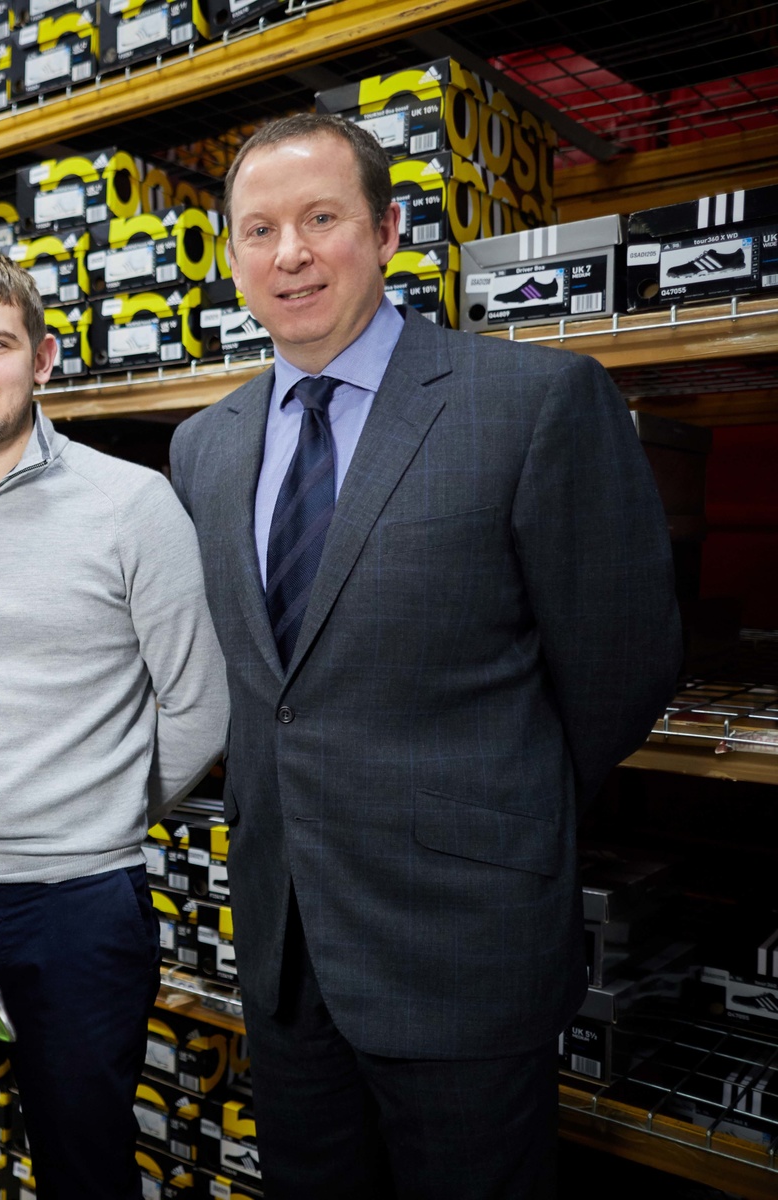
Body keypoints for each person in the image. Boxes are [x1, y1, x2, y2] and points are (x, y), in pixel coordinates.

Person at [167, 113, 682, 1198]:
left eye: (322, 219)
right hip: (287, 949)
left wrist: (488, 815)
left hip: (460, 948)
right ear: (230, 259)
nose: (290, 254)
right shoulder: (206, 446)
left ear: (390, 229)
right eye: (258, 230)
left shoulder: (531, 404)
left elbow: (621, 671)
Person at [0, 247, 230, 1194]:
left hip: (76, 908)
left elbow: (199, 699)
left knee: (83, 1165)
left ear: (44, 358)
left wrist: (100, 813)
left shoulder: (133, 504)